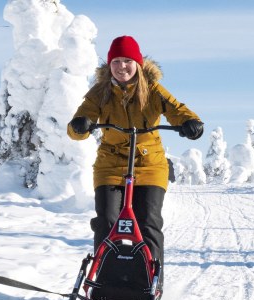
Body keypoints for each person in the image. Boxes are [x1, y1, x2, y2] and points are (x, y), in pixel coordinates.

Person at [67, 35, 203, 266]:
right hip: (111, 164)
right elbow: (78, 123)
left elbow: (177, 110)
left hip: (150, 165)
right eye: (116, 61)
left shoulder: (153, 90)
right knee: (108, 221)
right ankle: (106, 279)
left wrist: (190, 123)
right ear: (109, 65)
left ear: (138, 64)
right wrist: (79, 125)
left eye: (127, 61)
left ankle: (150, 281)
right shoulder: (99, 92)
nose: (122, 67)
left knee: (147, 222)